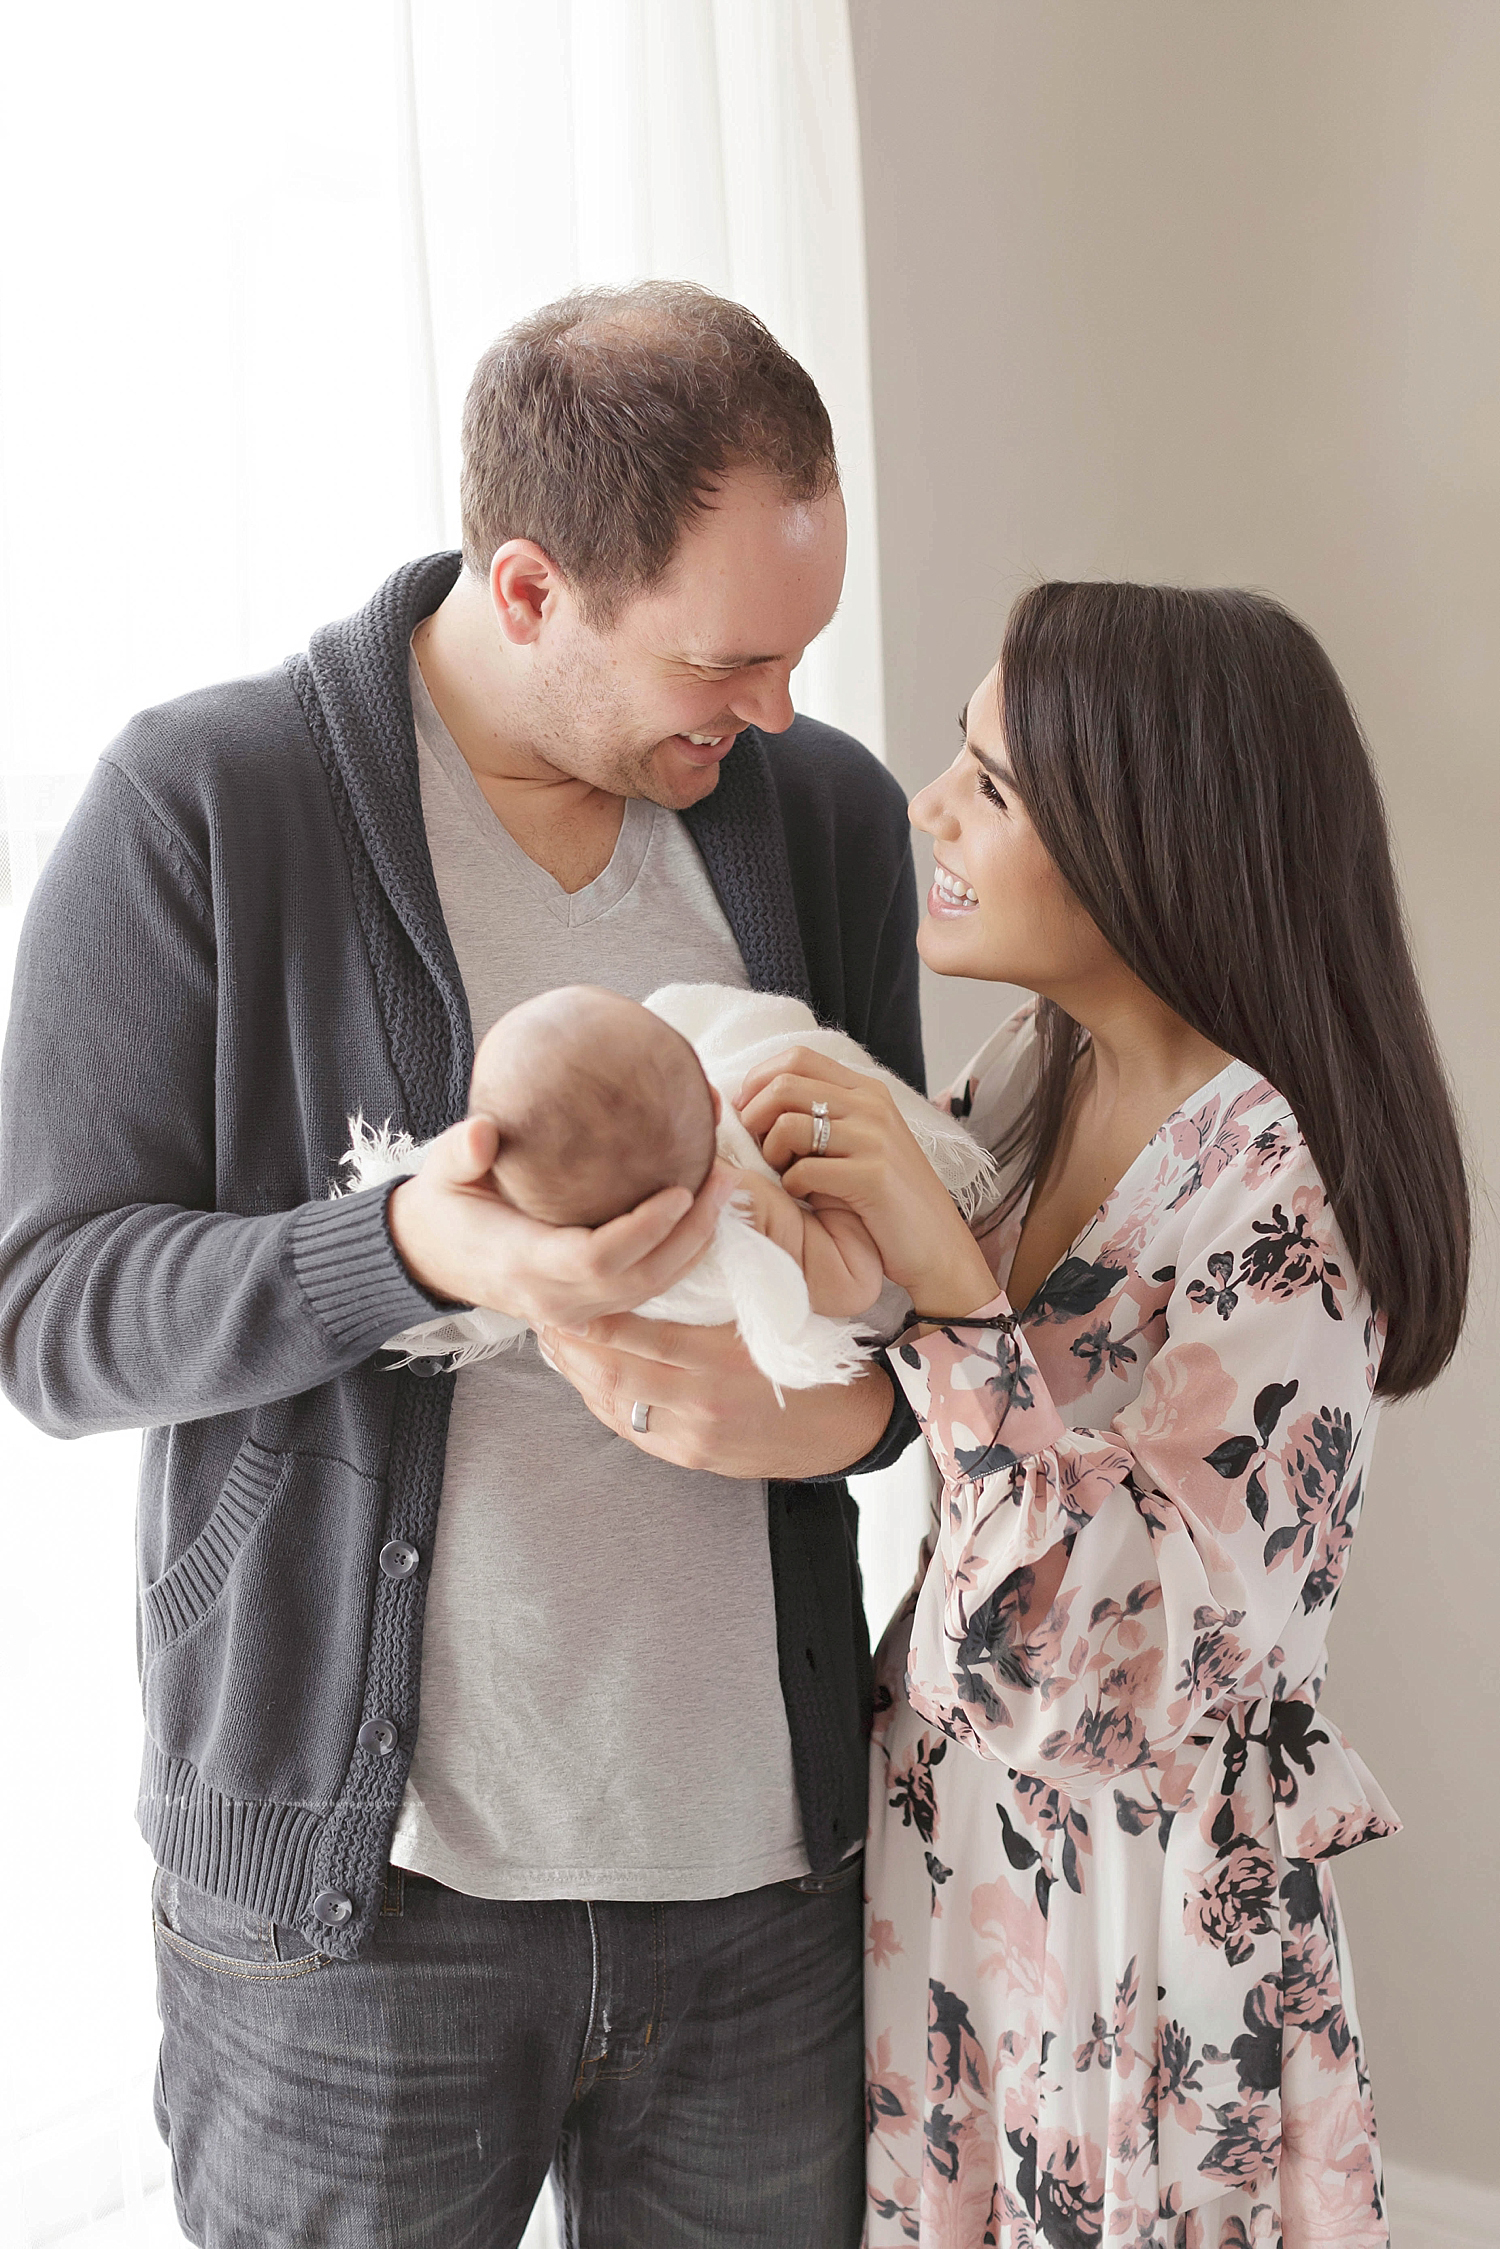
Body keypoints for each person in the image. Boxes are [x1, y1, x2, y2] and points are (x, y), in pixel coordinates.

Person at [0, 282, 923, 2248]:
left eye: (799, 652)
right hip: (359, 1929)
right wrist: (411, 1246)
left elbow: (905, 1287)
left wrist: (835, 1402)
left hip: (763, 1893)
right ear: (528, 590)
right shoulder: (211, 807)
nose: (774, 712)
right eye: (725, 661)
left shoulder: (820, 822)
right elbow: (52, 1315)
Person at [734, 582, 1470, 2248]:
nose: (929, 804)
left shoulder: (1285, 1188)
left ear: (1150, 838)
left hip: (1140, 1918)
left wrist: (945, 1293)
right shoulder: (1042, 1060)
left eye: (990, 784)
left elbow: (1106, 1664)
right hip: (972, 1866)